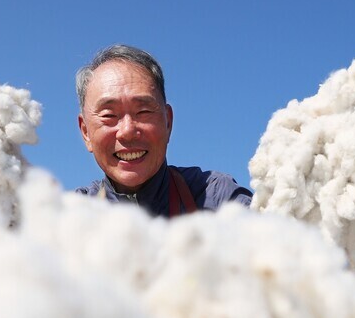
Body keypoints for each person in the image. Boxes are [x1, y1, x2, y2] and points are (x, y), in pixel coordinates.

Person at [73, 44, 252, 217]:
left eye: (143, 112)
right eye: (109, 115)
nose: (127, 131)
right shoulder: (72, 214)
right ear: (85, 132)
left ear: (168, 122)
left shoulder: (216, 198)